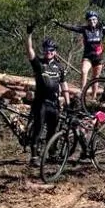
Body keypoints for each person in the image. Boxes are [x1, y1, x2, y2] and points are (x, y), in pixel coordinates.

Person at [53, 10, 105, 94]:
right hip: (87, 57)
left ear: (97, 20)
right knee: (83, 71)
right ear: (87, 21)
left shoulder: (101, 29)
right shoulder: (84, 29)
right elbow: (73, 27)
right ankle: (83, 93)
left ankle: (93, 98)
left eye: (94, 19)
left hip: (98, 58)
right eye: (90, 20)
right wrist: (60, 24)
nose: (92, 21)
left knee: (95, 79)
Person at [26, 30, 70, 165]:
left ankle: (52, 153)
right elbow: (29, 50)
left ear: (55, 51)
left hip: (54, 104)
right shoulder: (39, 63)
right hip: (41, 103)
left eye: (51, 50)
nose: (48, 52)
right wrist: (29, 35)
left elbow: (63, 84)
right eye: (46, 49)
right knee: (38, 129)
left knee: (53, 130)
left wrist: (67, 101)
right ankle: (34, 157)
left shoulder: (59, 67)